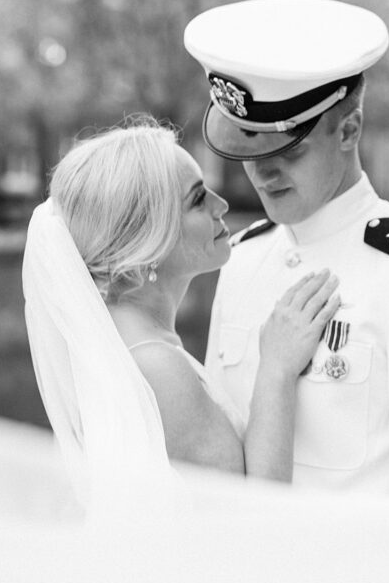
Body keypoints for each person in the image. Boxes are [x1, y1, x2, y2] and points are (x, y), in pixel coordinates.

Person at [185, 0, 389, 492]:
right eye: (249, 143)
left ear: (348, 131)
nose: (262, 170)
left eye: (287, 149)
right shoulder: (242, 259)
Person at [23, 118, 341, 520]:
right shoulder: (157, 367)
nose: (220, 205)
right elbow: (251, 519)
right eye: (196, 199)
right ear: (146, 238)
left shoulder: (121, 345)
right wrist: (276, 371)